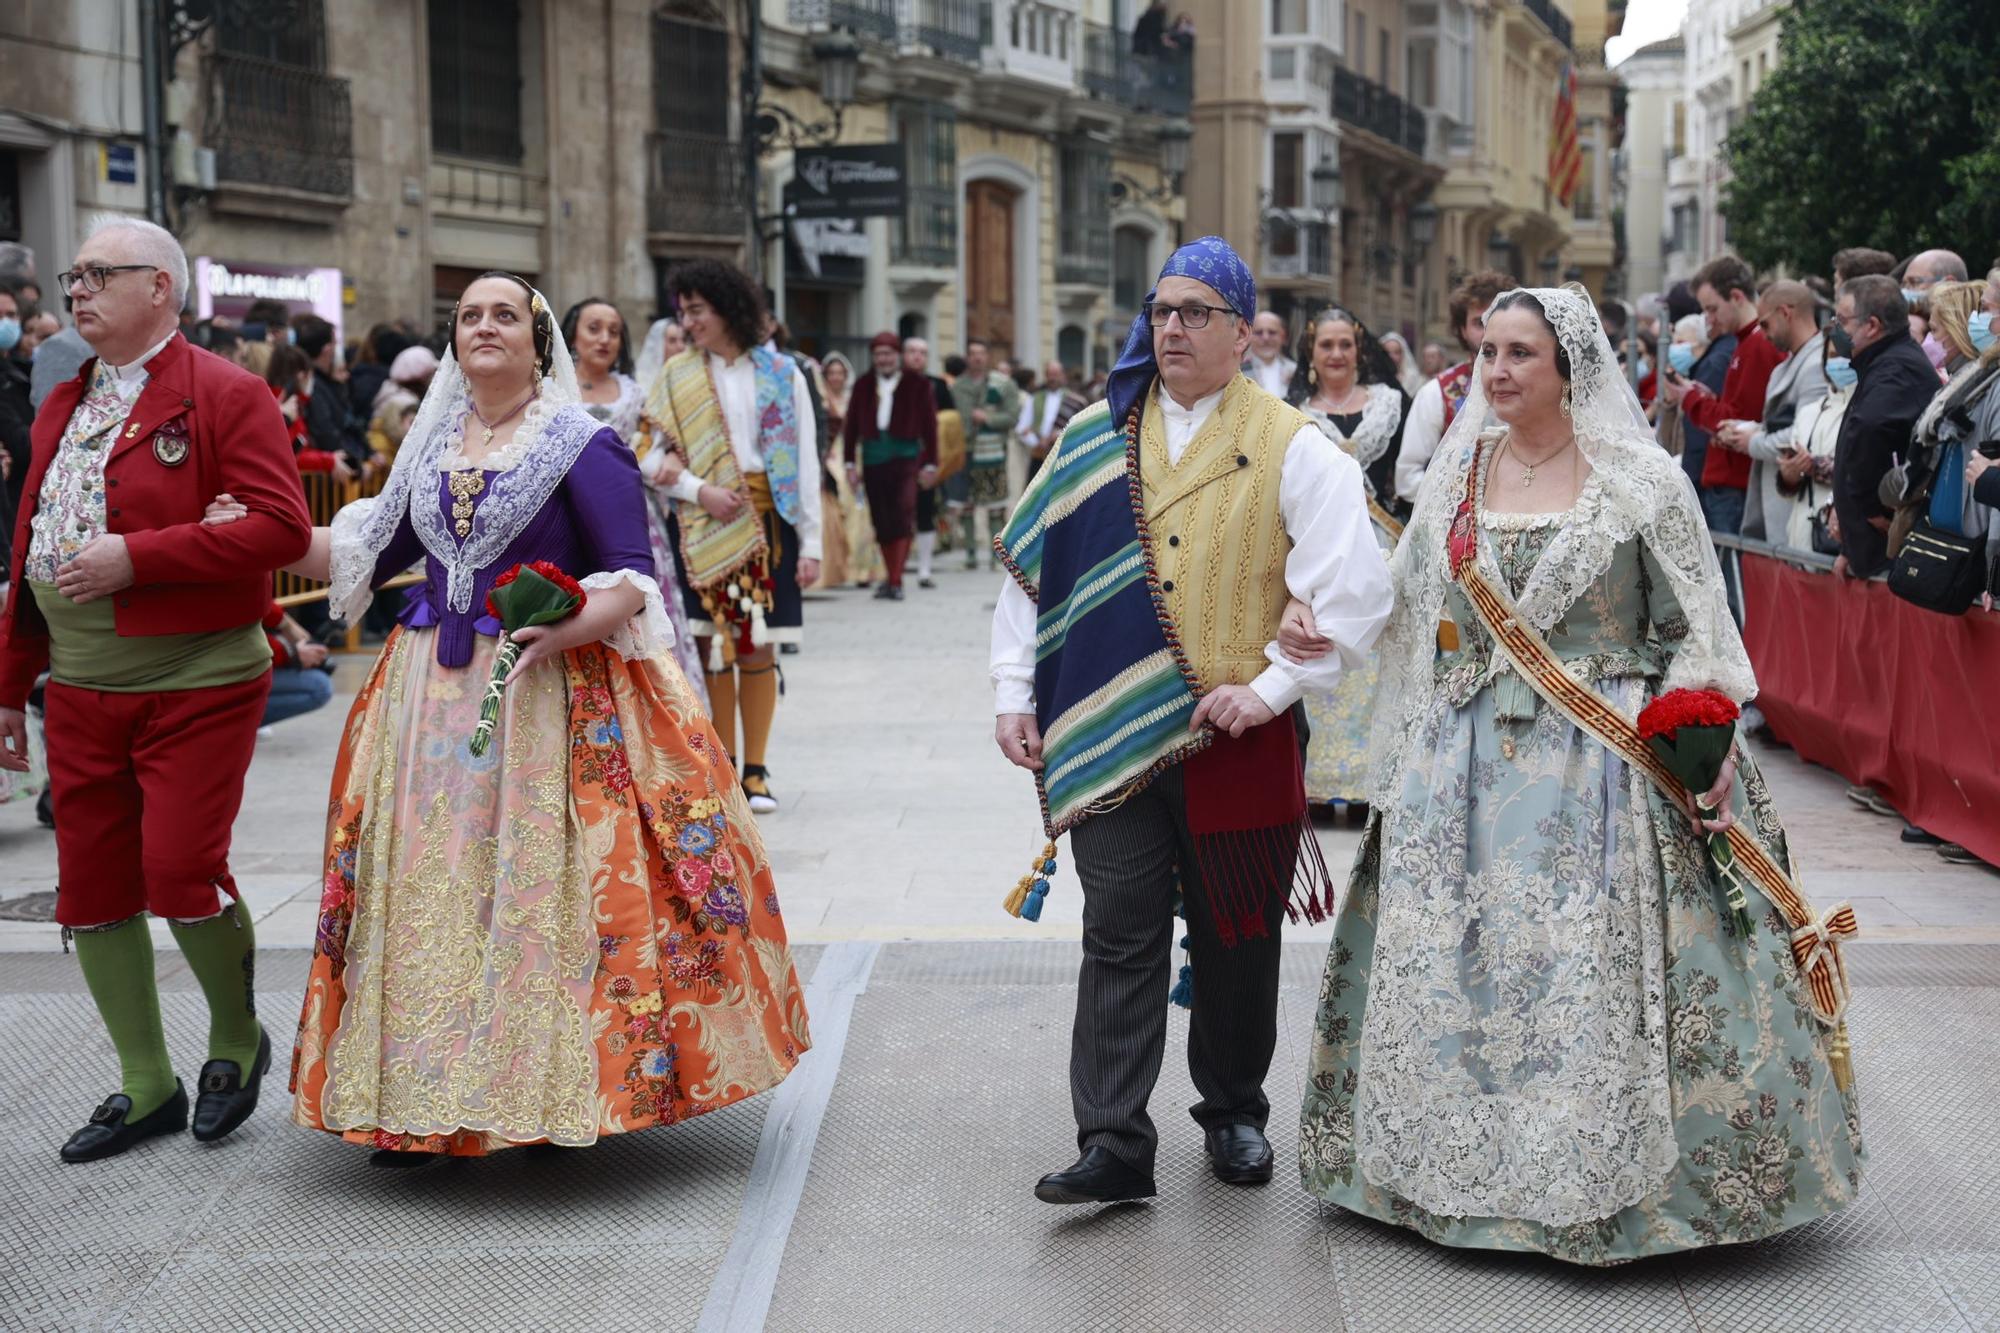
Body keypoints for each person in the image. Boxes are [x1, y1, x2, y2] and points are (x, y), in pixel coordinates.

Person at [1293, 283, 1864, 1264]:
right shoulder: (1457, 474)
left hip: (1599, 765)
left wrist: (1699, 730)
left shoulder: (1639, 481)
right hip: (1463, 766)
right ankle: (1456, 1172)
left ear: (1570, 369)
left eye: (1520, 353)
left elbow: (1697, 629)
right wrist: (1319, 623)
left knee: (1587, 970)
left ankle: (1613, 1188)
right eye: (1488, 353)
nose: (1498, 371)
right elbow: (1397, 600)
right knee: (1463, 968)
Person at [225, 271, 806, 1164]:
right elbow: (367, 550)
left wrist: (559, 631)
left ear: (539, 342)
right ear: (454, 341)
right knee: (427, 885)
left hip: (547, 695)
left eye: (507, 314)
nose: (486, 327)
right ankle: (418, 1094)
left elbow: (630, 576)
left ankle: (537, 1089)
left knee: (534, 888)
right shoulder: (429, 450)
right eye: (469, 316)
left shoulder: (582, 443)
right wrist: (250, 532)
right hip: (426, 699)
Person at [990, 237, 1392, 1206]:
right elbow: (1030, 583)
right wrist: (1013, 690)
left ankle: (1234, 1112)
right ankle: (1113, 1139)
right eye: (1161, 310)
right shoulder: (1091, 437)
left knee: (1235, 931)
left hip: (1237, 735)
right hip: (1110, 737)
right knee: (1117, 930)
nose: (1170, 327)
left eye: (1195, 312)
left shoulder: (1296, 444)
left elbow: (1354, 592)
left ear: (1242, 332)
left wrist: (1267, 691)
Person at [0, 217, 312, 1162]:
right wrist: (12, 687)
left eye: (101, 273)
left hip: (198, 674)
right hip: (82, 682)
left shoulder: (227, 392)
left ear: (161, 289)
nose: (78, 289)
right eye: (75, 274)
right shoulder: (62, 398)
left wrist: (141, 556)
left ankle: (235, 1038)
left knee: (180, 870)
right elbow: (31, 550)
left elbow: (282, 528)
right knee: (91, 890)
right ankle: (146, 1082)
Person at [642, 260, 820, 815]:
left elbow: (806, 456)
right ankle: (720, 768)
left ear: (727, 309)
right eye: (684, 312)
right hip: (703, 523)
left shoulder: (782, 372)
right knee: (709, 641)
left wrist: (811, 542)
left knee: (756, 641)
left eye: (697, 310)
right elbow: (646, 456)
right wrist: (698, 490)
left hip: (768, 524)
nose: (688, 322)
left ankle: (758, 771)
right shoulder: (676, 375)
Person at [1285, 306, 1408, 810]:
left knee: (1377, 661)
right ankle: (1315, 782)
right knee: (1323, 646)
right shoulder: (1292, 413)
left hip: (1383, 545)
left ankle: (1369, 781)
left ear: (1360, 351)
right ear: (1311, 354)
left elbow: (1413, 471)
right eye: (1326, 345)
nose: (1336, 354)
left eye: (1345, 345)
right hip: (1321, 548)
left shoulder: (1393, 405)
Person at [1659, 257, 1783, 557]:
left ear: (1737, 297)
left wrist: (1691, 399)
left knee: (1731, 589)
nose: (1708, 319)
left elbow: (1739, 420)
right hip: (1728, 482)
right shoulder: (1744, 343)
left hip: (1733, 485)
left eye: (1712, 309)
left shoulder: (1756, 345)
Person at [1831, 275, 1936, 579]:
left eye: (1842, 320)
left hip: (1888, 554)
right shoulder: (1883, 363)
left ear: (1872, 325)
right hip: (1869, 553)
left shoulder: (1896, 368)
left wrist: (1871, 506)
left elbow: (1869, 427)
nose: (1835, 330)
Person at [1711, 280, 1830, 544]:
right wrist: (1749, 429)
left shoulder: (1815, 363)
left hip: (1798, 506)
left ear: (1785, 313)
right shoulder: (1791, 363)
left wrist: (1751, 441)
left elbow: (1804, 437)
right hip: (1780, 502)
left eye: (1764, 324)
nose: (1762, 334)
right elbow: (1780, 426)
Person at [1395, 269, 1512, 505]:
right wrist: (1464, 495)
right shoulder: (1436, 393)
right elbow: (1407, 479)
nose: (1489, 330)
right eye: (1479, 322)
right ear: (1461, 330)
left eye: (1497, 318)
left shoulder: (1536, 387)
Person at [842, 332, 939, 601]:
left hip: (906, 457)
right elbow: (851, 427)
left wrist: (931, 463)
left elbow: (931, 426)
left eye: (888, 354)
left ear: (897, 356)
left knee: (903, 514)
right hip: (873, 457)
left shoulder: (918, 384)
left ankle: (896, 580)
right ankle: (889, 576)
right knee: (881, 520)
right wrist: (850, 463)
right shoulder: (862, 385)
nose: (883, 359)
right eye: (878, 355)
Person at [949, 338, 1020, 571]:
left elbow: (1012, 417)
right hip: (965, 450)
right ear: (967, 357)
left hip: (992, 451)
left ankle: (995, 555)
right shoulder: (957, 386)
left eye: (981, 353)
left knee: (996, 505)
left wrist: (988, 418)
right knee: (966, 503)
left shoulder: (1003, 384)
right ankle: (970, 553)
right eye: (972, 353)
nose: (977, 358)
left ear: (988, 357)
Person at [814, 350, 871, 590]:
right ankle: (837, 566)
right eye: (831, 373)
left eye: (840, 373)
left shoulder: (853, 400)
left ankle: (860, 568)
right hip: (829, 459)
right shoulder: (821, 401)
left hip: (851, 457)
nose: (836, 377)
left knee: (857, 509)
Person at [905, 336, 954, 587]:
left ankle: (924, 568)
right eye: (912, 351)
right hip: (898, 459)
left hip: (926, 459)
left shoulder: (937, 385)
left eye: (922, 352)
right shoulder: (893, 384)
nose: (917, 356)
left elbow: (949, 424)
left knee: (926, 511)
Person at [258, 603, 334, 729]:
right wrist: (290, 653)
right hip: (228, 670)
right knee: (319, 686)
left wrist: (284, 621)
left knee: (319, 683)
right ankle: (241, 720)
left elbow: (258, 596)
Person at [1016, 360, 1086, 482]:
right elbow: (1021, 428)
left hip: (1063, 455)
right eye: (1050, 374)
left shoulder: (1073, 400)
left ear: (1063, 375)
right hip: (1039, 456)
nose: (1052, 378)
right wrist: (1036, 442)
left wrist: (1059, 435)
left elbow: (1080, 428)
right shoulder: (1034, 398)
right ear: (1045, 375)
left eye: (1056, 374)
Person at [1243, 311, 1296, 398]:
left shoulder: (1294, 370)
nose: (1266, 338)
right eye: (1259, 332)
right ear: (1249, 336)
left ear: (1283, 336)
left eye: (1272, 332)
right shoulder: (1238, 370)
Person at [1377, 330, 1424, 398]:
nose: (1391, 356)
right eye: (1387, 352)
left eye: (1396, 352)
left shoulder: (1413, 380)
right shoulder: (1372, 378)